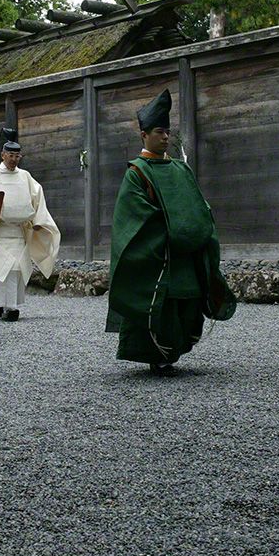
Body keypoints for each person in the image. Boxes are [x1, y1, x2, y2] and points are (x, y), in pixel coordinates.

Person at [106, 89, 236, 376]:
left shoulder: (181, 168)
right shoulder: (136, 172)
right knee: (160, 304)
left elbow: (198, 204)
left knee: (188, 300)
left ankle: (175, 350)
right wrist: (174, 229)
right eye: (158, 132)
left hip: (186, 255)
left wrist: (197, 227)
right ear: (144, 135)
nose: (165, 137)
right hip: (159, 255)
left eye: (167, 132)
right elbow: (135, 215)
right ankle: (157, 355)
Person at [0, 129, 60, 322]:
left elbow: (37, 198)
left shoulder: (26, 177)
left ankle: (9, 305)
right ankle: (2, 304)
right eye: (10, 155)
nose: (13, 159)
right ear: (3, 155)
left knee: (18, 269)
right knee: (3, 268)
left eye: (17, 156)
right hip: (0, 231)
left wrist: (37, 221)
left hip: (19, 231)